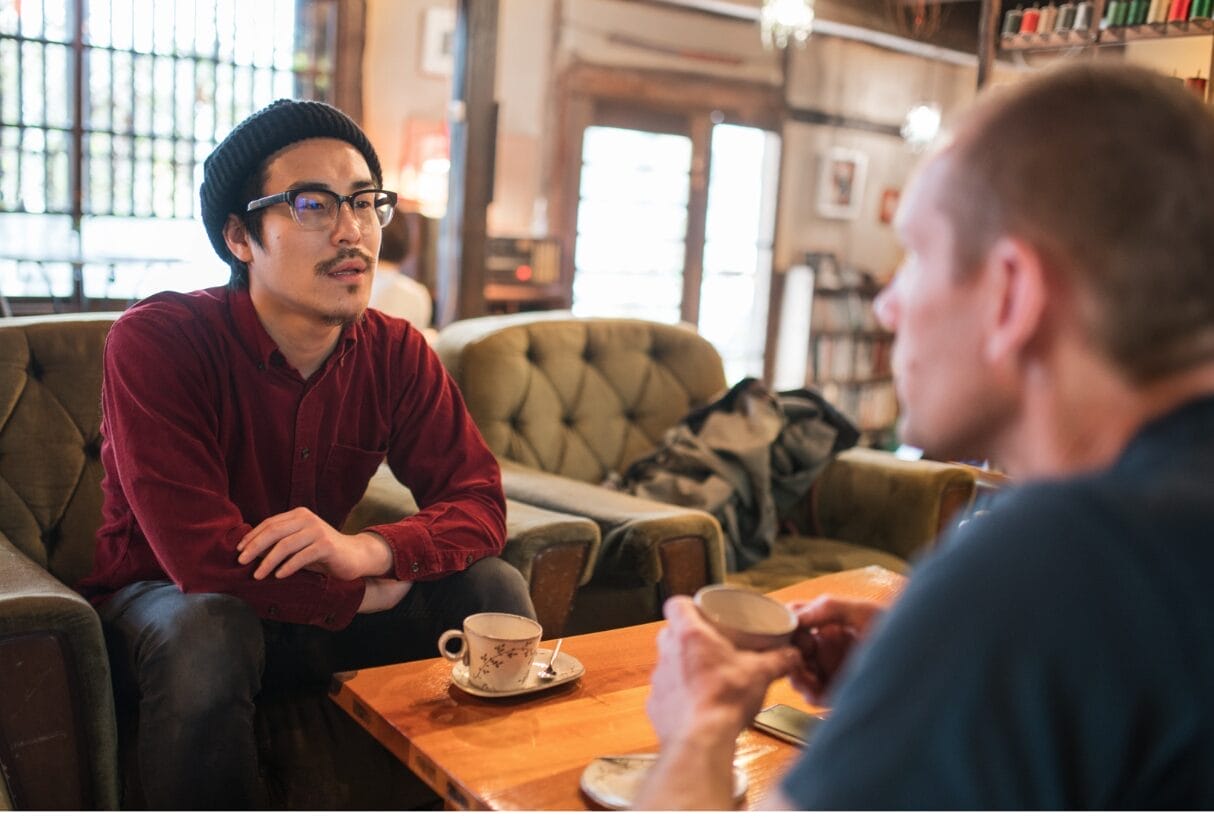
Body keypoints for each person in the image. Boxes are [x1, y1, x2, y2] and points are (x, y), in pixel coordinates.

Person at [636, 61, 1214, 809]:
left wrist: (701, 726)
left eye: (915, 253)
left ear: (1012, 295)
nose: (886, 306)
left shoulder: (1044, 564)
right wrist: (928, 663)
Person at [77, 99, 535, 809]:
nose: (352, 231)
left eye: (365, 202)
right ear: (239, 236)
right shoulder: (158, 339)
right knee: (210, 626)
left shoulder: (397, 352)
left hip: (311, 609)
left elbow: (479, 504)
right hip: (163, 607)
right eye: (313, 204)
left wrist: (375, 551)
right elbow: (202, 559)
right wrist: (359, 588)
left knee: (492, 590)